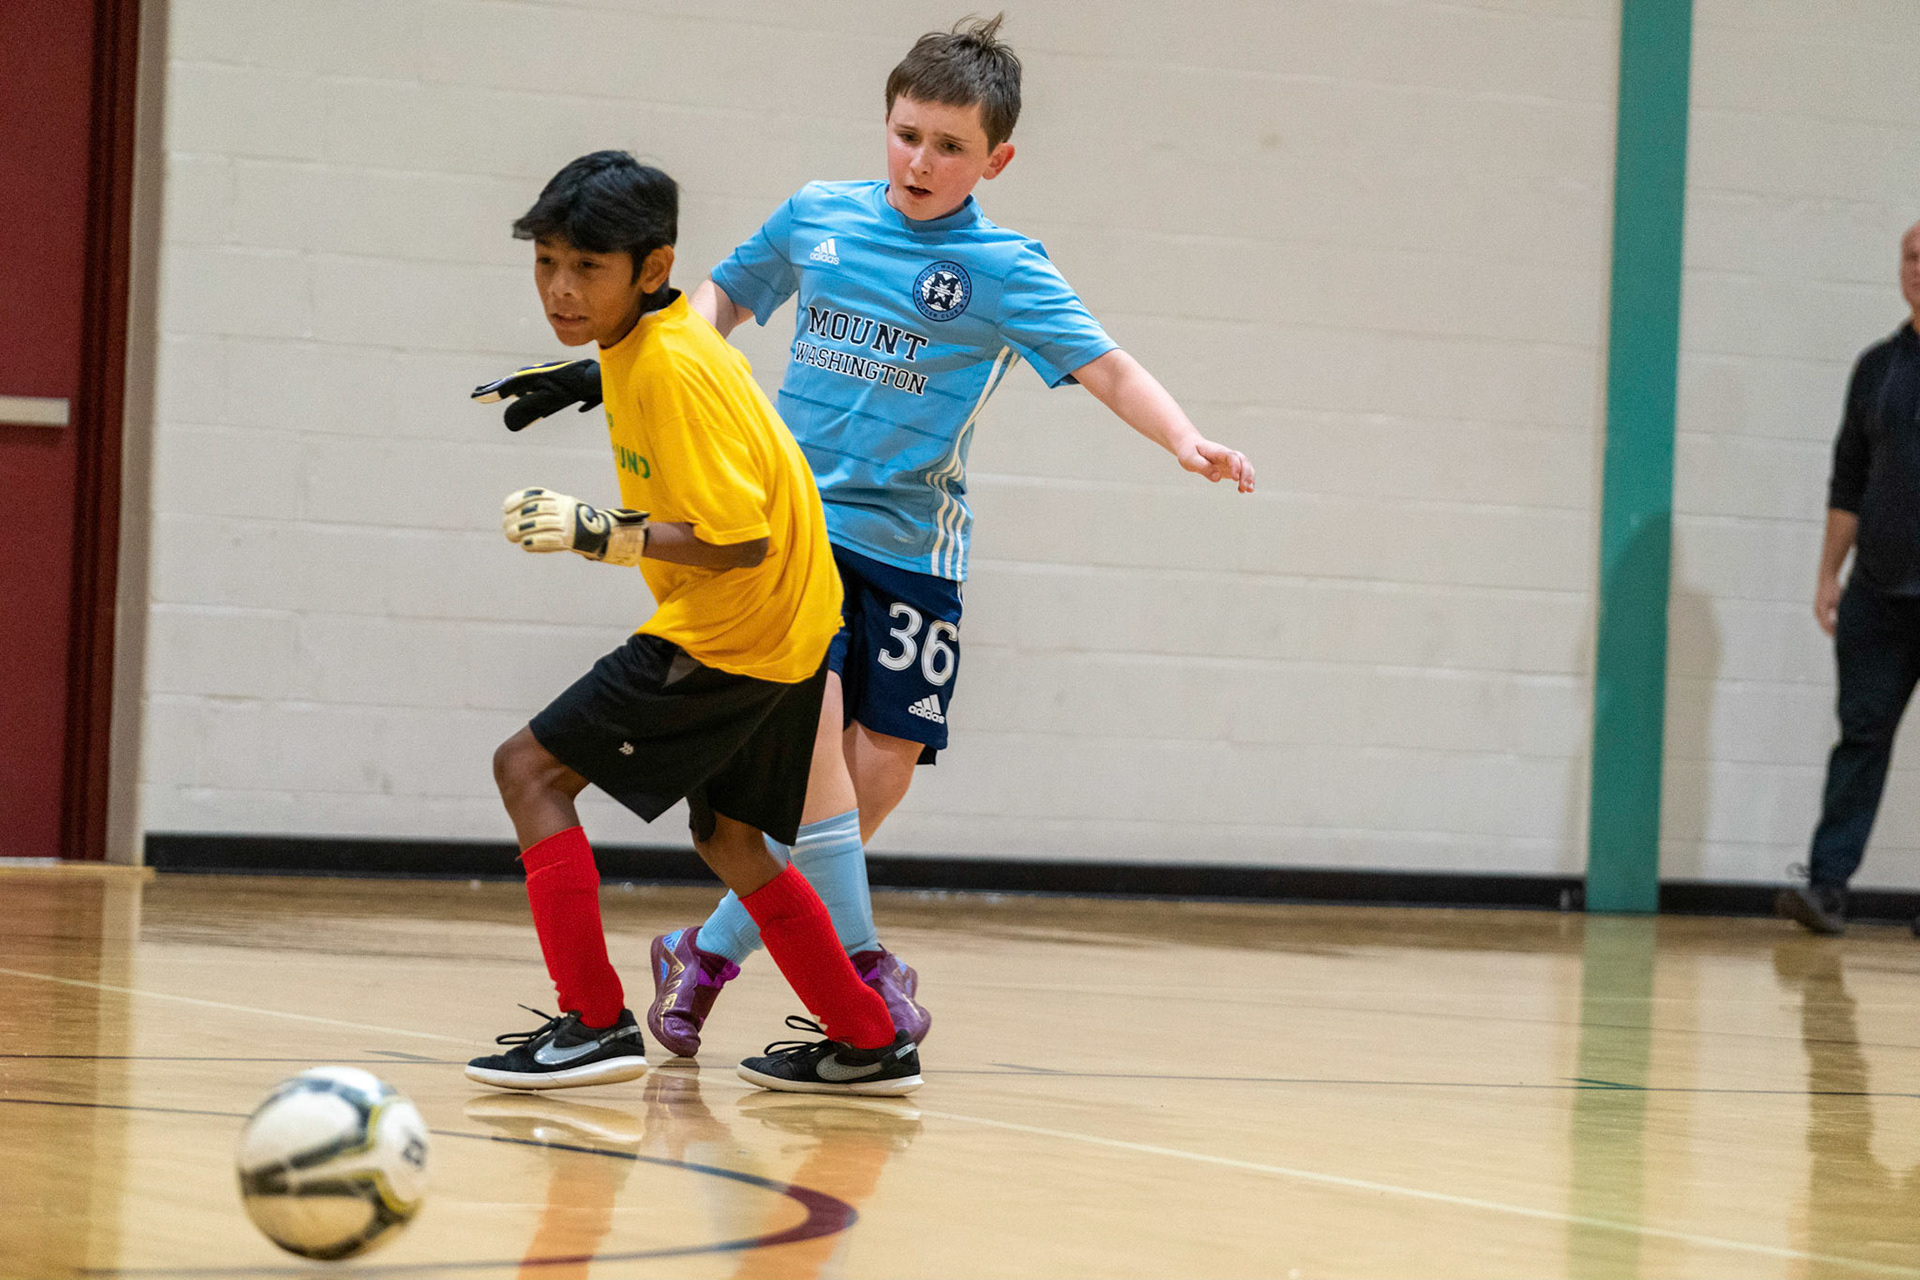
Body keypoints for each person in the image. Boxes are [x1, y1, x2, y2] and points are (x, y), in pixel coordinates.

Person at [482, 15, 1255, 1056]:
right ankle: (860, 974)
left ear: (997, 159)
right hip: (800, 535)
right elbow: (713, 303)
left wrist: (1185, 437)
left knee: (873, 780)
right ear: (883, 125)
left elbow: (1106, 364)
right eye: (906, 134)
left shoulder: (1005, 268)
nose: (920, 160)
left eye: (948, 145)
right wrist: (610, 366)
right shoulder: (819, 216)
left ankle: (704, 951)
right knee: (816, 776)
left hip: (917, 548)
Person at [464, 150, 922, 1095]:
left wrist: (600, 532)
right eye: (547, 261)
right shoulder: (655, 339)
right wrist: (583, 376)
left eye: (587, 268)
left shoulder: (669, 365)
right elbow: (672, 371)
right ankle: (870, 1038)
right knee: (732, 842)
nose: (560, 287)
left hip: (739, 622)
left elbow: (738, 539)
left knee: (529, 771)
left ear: (654, 267)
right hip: (798, 622)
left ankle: (595, 1024)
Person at [1777, 219, 1920, 937]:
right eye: (1911, 256)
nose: (1919, 267)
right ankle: (1827, 887)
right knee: (1860, 737)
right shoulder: (1877, 369)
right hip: (1880, 597)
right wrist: (1829, 572)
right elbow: (1849, 480)